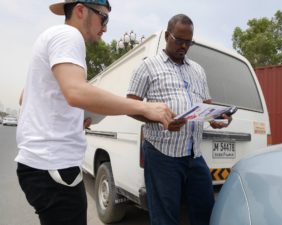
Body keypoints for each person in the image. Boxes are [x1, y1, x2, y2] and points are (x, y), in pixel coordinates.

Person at [15, 1, 174, 225]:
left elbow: (26, 98)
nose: (106, 28)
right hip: (54, 167)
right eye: (104, 18)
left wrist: (70, 121)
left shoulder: (52, 38)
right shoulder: (69, 35)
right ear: (81, 10)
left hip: (42, 167)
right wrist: (145, 106)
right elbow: (76, 92)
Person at [127, 14, 232, 225]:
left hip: (194, 154)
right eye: (179, 40)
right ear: (167, 36)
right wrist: (160, 119)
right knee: (165, 216)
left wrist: (216, 116)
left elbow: (206, 103)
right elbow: (131, 106)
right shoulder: (148, 66)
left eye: (189, 42)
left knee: (205, 210)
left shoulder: (198, 70)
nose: (184, 46)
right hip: (162, 154)